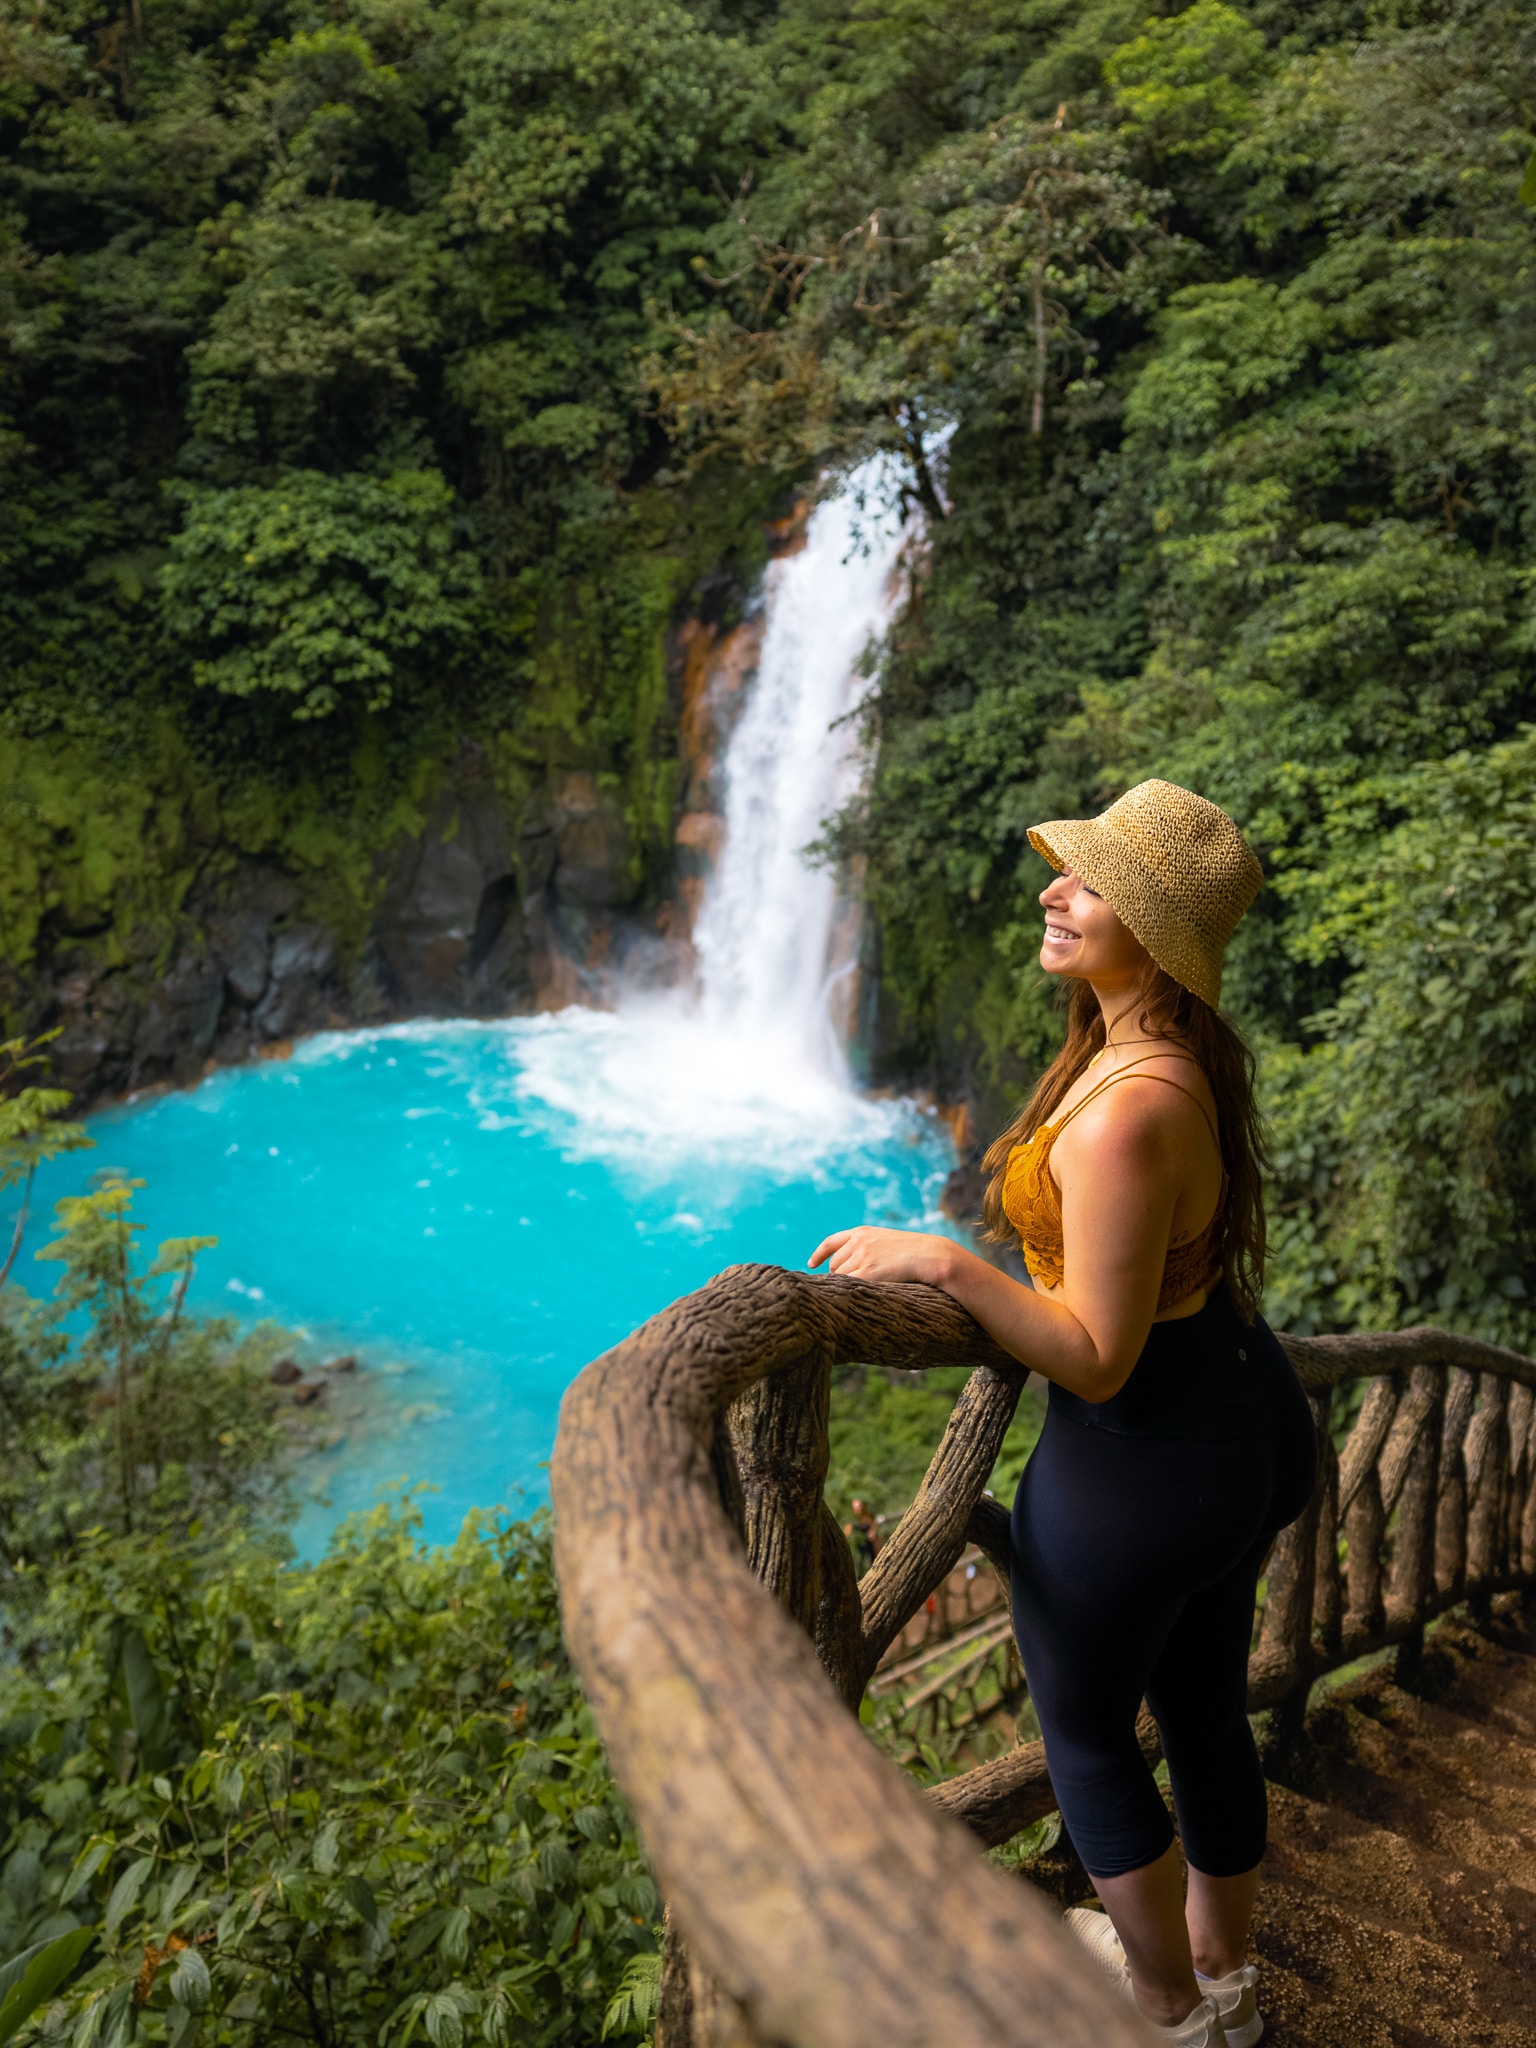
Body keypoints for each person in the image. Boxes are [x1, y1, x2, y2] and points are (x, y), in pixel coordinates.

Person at [809, 779, 1317, 2047]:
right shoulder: (1164, 1053)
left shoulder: (1127, 1110)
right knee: (1200, 1699)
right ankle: (1226, 1977)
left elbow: (1093, 1354)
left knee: (1087, 1732)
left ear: (1151, 930)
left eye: (1086, 882)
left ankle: (1164, 2008)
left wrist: (946, 1265)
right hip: (1239, 1420)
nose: (1052, 888)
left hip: (1143, 1459)